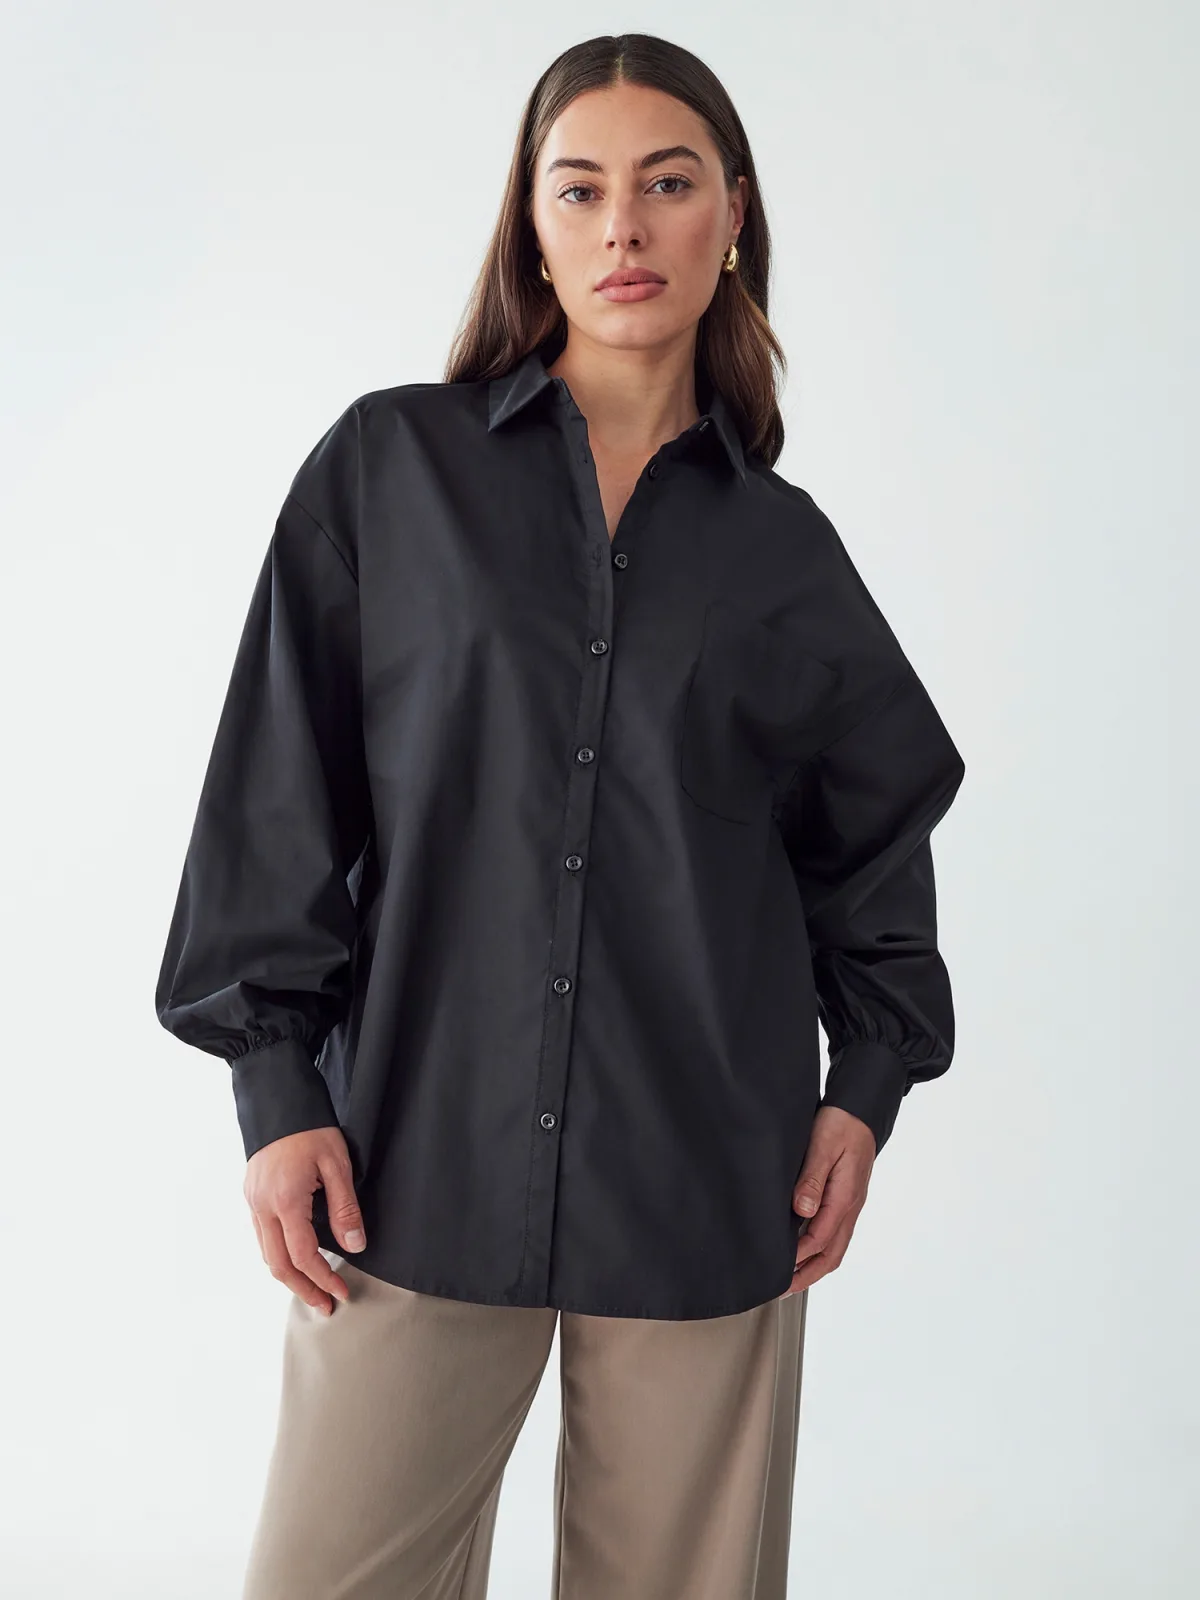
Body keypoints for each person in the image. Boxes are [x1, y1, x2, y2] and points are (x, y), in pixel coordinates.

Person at [154, 31, 966, 1600]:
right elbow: (276, 786)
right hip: (409, 1160)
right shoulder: (391, 470)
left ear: (734, 213)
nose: (624, 228)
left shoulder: (782, 551)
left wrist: (866, 1087)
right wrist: (275, 1085)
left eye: (669, 184)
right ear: (530, 226)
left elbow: (873, 847)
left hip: (705, 1179)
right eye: (579, 189)